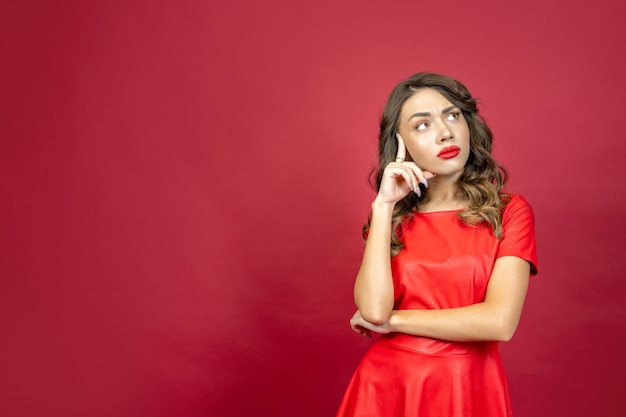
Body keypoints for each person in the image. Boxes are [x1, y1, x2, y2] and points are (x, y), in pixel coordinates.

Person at [336, 72, 538, 417]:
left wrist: (395, 322)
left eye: (452, 115)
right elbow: (372, 310)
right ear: (401, 145)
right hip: (385, 388)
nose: (445, 131)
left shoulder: (509, 212)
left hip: (468, 386)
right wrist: (383, 207)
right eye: (422, 125)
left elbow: (500, 322)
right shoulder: (392, 219)